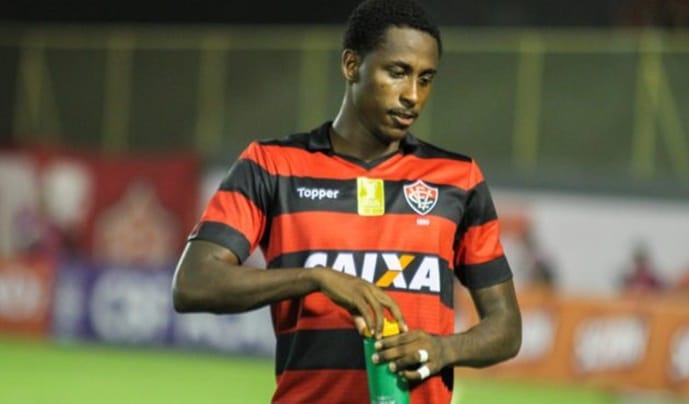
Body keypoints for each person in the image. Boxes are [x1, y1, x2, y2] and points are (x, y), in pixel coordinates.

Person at [172, 1, 521, 403]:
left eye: (425, 79)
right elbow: (193, 283)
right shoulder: (272, 166)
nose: (413, 95)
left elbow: (506, 327)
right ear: (352, 65)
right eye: (397, 72)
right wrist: (315, 278)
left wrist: (444, 349)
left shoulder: (459, 179)